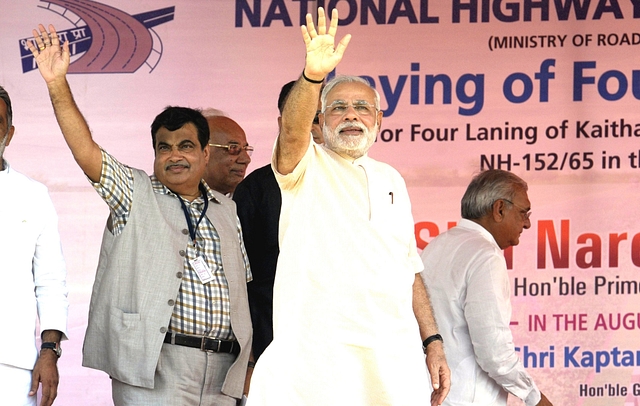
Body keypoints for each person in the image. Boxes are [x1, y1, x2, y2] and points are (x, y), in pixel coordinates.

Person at [28, 25, 252, 406]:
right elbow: (86, 150)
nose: (174, 156)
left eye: (185, 146)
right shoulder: (135, 192)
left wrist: (247, 360)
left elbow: (241, 290)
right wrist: (56, 85)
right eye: (163, 148)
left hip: (222, 374)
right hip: (155, 367)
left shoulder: (226, 209)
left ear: (204, 155)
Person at [246, 8, 450, 406]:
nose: (351, 114)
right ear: (319, 121)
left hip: (392, 359)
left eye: (362, 107)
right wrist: (313, 76)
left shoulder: (391, 178)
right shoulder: (303, 166)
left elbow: (409, 268)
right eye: (338, 107)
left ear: (379, 120)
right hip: (318, 361)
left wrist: (433, 342)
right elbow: (291, 131)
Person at [420, 169, 553, 406]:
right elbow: (494, 351)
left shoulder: (436, 246)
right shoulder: (485, 255)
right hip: (466, 398)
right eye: (524, 212)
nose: (528, 223)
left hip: (428, 393)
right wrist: (535, 397)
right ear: (499, 209)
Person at [233, 79, 323, 367]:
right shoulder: (254, 189)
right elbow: (239, 277)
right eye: (302, 118)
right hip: (273, 342)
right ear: (283, 122)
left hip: (337, 341)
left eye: (319, 118)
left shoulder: (356, 182)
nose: (311, 128)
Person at [0, 85, 68, 406]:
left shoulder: (33, 195)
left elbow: (51, 282)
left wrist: (49, 352)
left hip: (12, 364)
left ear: (9, 133)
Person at [202, 109, 253, 196]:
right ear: (203, 151)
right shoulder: (174, 203)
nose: (246, 159)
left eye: (246, 149)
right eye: (233, 148)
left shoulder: (252, 201)